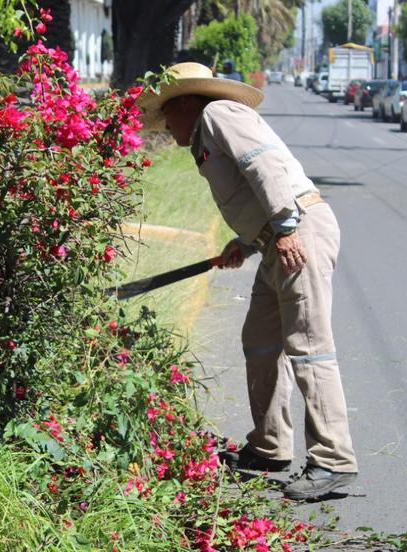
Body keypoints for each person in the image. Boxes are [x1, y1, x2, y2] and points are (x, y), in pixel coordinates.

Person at [136, 62, 358, 501]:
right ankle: (270, 446)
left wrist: (286, 226)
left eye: (167, 115)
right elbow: (248, 188)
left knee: (309, 346)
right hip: (275, 238)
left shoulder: (219, 114)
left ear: (185, 103)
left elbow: (266, 165)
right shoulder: (206, 132)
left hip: (297, 232)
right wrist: (247, 241)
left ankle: (333, 460)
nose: (165, 127)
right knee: (259, 339)